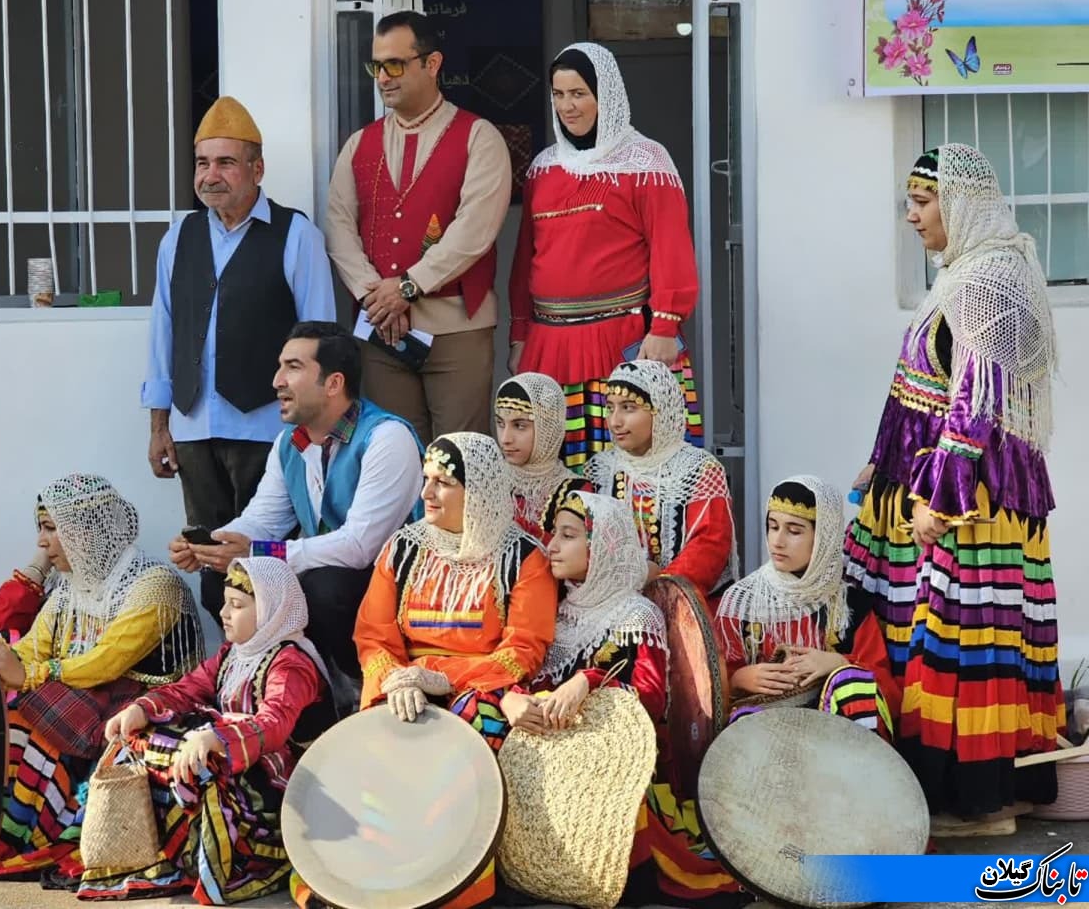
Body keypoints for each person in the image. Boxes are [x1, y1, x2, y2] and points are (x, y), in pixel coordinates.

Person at [843, 144, 1062, 836]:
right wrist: (882, 464)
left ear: (960, 204)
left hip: (969, 501)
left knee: (963, 643)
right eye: (909, 201)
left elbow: (973, 405)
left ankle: (977, 804)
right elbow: (928, 384)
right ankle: (1008, 789)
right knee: (974, 641)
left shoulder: (986, 285)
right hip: (948, 483)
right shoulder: (971, 271)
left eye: (922, 201)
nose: (911, 216)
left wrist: (939, 499)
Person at [300, 432, 557, 909]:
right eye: (426, 480)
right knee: (369, 748)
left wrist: (441, 678)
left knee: (467, 734)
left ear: (476, 489)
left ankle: (450, 880)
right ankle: (356, 876)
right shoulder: (403, 549)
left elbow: (524, 650)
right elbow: (372, 635)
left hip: (480, 691)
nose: (426, 494)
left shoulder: (524, 558)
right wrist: (395, 681)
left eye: (442, 483)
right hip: (400, 687)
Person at [0, 474, 204, 881]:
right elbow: (34, 647)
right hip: (85, 697)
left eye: (51, 529)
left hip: (143, 706)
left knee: (25, 733)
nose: (42, 542)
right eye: (42, 528)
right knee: (5, 722)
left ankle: (21, 838)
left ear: (83, 531)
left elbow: (106, 663)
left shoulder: (155, 587)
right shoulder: (70, 587)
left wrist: (30, 674)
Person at [144, 95, 336, 629]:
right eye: (203, 163)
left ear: (257, 169)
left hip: (267, 431)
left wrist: (315, 431)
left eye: (226, 162)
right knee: (210, 568)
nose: (212, 175)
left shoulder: (296, 235)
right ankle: (230, 676)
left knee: (266, 564)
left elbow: (320, 338)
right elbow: (164, 327)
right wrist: (159, 423)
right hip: (193, 426)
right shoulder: (177, 237)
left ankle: (283, 674)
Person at [499, 489, 743, 907]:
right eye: (553, 533)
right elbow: (518, 668)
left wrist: (587, 683)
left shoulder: (634, 614)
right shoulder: (548, 608)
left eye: (568, 535)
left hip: (612, 757)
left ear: (602, 544)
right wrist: (514, 698)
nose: (551, 546)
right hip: (543, 743)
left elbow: (648, 697)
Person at [167, 322, 424, 692]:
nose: (276, 381)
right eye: (280, 366)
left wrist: (257, 551)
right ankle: (282, 686)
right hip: (333, 576)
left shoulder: (386, 438)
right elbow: (263, 519)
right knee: (221, 578)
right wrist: (214, 546)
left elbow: (358, 548)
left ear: (333, 384)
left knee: (325, 587)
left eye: (293, 367)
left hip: (390, 589)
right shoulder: (289, 441)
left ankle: (364, 689)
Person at [83, 558, 334, 904]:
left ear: (271, 610)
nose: (224, 613)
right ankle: (176, 850)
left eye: (238, 605)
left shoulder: (291, 664)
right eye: (225, 603)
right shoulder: (235, 654)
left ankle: (228, 858)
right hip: (244, 766)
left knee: (202, 762)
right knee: (146, 740)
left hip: (282, 788)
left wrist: (217, 738)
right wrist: (141, 709)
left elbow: (275, 724)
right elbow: (188, 689)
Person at [509, 42, 701, 470]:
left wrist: (666, 324)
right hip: (549, 345)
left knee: (633, 470)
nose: (567, 106)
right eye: (558, 95)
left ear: (606, 94)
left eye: (579, 94)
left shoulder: (646, 162)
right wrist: (520, 332)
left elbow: (671, 248)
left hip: (626, 342)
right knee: (553, 474)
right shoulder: (542, 167)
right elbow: (525, 261)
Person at [326, 10, 512, 444]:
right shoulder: (359, 143)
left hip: (457, 326)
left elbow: (475, 230)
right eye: (376, 66)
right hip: (382, 329)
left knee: (459, 456)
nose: (383, 77)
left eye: (395, 64)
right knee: (396, 457)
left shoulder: (478, 136)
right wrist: (375, 296)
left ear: (432, 64)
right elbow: (337, 225)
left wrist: (406, 288)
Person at [717, 477, 897, 740]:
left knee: (852, 687)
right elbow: (709, 683)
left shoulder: (850, 606)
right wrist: (739, 679)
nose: (777, 541)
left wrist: (839, 663)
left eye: (794, 531)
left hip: (833, 738)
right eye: (773, 526)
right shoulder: (741, 603)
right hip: (767, 738)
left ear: (823, 536)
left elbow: (887, 692)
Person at [585, 360, 737, 604]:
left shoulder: (698, 469)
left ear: (661, 410)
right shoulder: (601, 470)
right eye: (610, 408)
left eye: (628, 408)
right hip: (613, 606)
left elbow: (708, 547)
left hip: (685, 607)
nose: (615, 421)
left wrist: (660, 587)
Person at [494, 372, 581, 543]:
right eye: (500, 423)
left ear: (547, 429)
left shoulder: (574, 492)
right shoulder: (488, 483)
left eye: (519, 426)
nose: (505, 438)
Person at [0, 544, 53, 641]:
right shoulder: (53, 581)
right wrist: (36, 568)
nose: (41, 541)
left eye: (51, 529)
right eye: (40, 529)